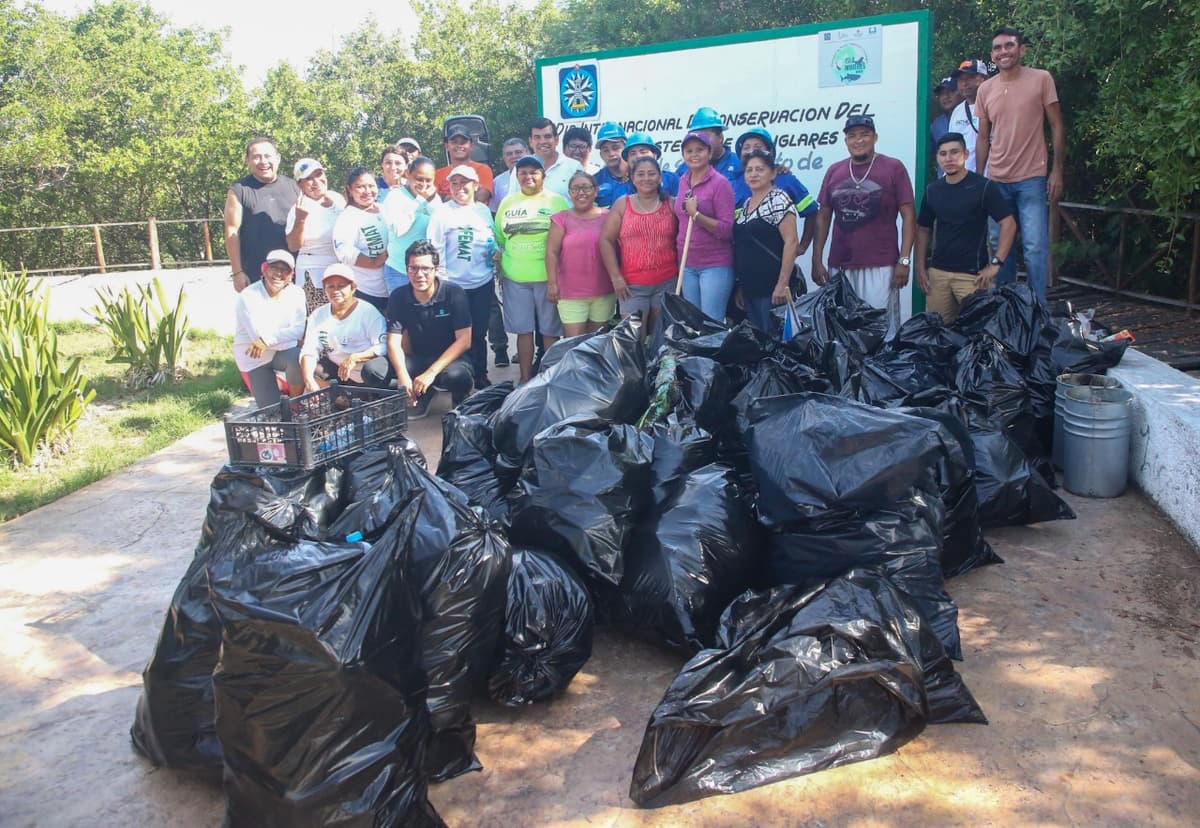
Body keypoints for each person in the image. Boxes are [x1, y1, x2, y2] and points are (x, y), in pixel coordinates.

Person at [976, 26, 1065, 300]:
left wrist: (1057, 171)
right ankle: (1008, 307)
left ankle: (1037, 309)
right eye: (998, 48)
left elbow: (1057, 125)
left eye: (1009, 45)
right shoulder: (986, 88)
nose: (1003, 51)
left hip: (1032, 178)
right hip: (996, 179)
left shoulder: (1041, 79)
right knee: (999, 245)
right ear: (992, 54)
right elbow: (982, 138)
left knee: (1035, 246)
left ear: (1021, 49)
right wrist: (979, 181)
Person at [812, 115, 916, 334]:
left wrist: (904, 260)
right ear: (846, 141)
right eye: (852, 136)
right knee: (843, 328)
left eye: (864, 134)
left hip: (880, 265)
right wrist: (816, 259)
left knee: (879, 329)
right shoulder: (834, 170)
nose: (858, 140)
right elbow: (823, 216)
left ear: (875, 137)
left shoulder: (893, 167)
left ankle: (880, 369)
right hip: (840, 264)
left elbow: (909, 216)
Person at [363, 241, 474, 417]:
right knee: (372, 371)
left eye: (425, 269)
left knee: (457, 376)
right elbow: (393, 341)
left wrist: (430, 373)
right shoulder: (398, 296)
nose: (419, 275)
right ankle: (419, 393)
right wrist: (403, 376)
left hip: (450, 361)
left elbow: (464, 340)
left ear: (436, 269)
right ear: (406, 269)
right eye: (413, 268)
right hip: (416, 359)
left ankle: (458, 399)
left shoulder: (454, 293)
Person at [916, 132, 1018, 324]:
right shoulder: (932, 190)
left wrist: (996, 264)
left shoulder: (983, 187)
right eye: (943, 154)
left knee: (976, 332)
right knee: (937, 333)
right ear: (937, 158)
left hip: (972, 276)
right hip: (938, 274)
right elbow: (923, 229)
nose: (949, 158)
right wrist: (920, 267)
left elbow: (1009, 224)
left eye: (954, 152)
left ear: (966, 154)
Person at [494, 154, 570, 383]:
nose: (528, 176)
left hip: (548, 278)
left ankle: (550, 379)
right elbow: (501, 237)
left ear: (543, 176)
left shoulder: (557, 202)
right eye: (523, 173)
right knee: (523, 331)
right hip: (515, 278)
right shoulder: (507, 202)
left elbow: (566, 238)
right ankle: (525, 379)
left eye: (534, 172)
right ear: (517, 177)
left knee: (550, 331)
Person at [425, 165, 498, 387]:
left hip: (482, 282)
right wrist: (441, 283)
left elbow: (491, 241)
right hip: (453, 285)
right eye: (454, 183)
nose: (459, 188)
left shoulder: (483, 211)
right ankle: (456, 379)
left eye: (464, 182)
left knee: (479, 331)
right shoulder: (442, 212)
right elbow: (434, 248)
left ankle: (480, 374)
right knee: (455, 334)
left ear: (475, 185)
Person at [599, 156, 679, 334]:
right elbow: (605, 240)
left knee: (662, 338)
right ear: (632, 178)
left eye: (651, 174)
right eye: (640, 174)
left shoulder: (672, 204)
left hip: (667, 283)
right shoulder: (622, 204)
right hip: (631, 285)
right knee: (633, 340)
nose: (646, 178)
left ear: (660, 178)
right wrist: (615, 277)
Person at [733, 150, 800, 333]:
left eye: (760, 169)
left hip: (773, 289)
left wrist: (782, 284)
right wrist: (741, 286)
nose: (753, 174)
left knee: (775, 341)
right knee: (758, 343)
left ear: (772, 173)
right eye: (749, 170)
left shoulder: (778, 199)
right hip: (751, 288)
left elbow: (791, 242)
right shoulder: (746, 204)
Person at [223, 136, 300, 293]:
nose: (263, 161)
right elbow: (232, 231)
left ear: (277, 158)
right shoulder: (239, 190)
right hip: (255, 273)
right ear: (247, 160)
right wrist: (237, 272)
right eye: (256, 157)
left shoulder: (295, 187)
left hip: (293, 271)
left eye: (267, 156)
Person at [674, 130, 735, 321]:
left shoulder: (720, 183)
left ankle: (712, 353)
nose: (694, 154)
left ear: (709, 153)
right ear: (683, 155)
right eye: (689, 150)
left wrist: (697, 215)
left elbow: (726, 230)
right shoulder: (683, 181)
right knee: (693, 322)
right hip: (686, 263)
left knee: (711, 323)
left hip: (714, 265)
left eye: (699, 150)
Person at [232, 249, 305, 407]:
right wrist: (284, 338)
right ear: (264, 269)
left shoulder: (297, 293)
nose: (279, 273)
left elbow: (298, 330)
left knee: (296, 357)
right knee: (272, 412)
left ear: (291, 275)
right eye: (274, 268)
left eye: (285, 270)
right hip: (255, 359)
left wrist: (266, 340)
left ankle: (295, 404)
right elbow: (256, 337)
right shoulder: (248, 296)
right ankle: (280, 384)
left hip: (281, 353)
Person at [299, 264, 387, 391]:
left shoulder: (368, 312)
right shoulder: (317, 315)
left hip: (365, 370)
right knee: (308, 366)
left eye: (341, 286)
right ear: (324, 289)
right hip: (339, 370)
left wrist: (355, 357)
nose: (336, 291)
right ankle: (340, 399)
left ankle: (372, 400)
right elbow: (309, 350)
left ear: (353, 288)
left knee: (374, 371)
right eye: (331, 286)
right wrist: (308, 380)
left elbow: (383, 346)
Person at [546, 171, 612, 337]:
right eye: (575, 189)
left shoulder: (608, 216)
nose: (581, 192)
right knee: (573, 344)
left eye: (586, 187)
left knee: (597, 344)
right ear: (569, 193)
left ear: (596, 190)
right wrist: (552, 283)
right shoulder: (560, 219)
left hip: (603, 290)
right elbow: (552, 252)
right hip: (570, 293)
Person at [731, 128, 818, 251]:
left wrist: (803, 246)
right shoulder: (734, 183)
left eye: (757, 147)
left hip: (776, 260)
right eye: (746, 147)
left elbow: (812, 212)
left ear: (770, 152)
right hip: (740, 261)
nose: (751, 151)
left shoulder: (785, 179)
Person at [285, 158, 345, 315]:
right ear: (300, 184)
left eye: (318, 175)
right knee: (317, 317)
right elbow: (293, 245)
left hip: (339, 266)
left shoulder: (337, 198)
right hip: (313, 270)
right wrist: (300, 219)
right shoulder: (299, 207)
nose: (316, 182)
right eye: (308, 179)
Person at [331, 167, 390, 312]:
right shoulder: (348, 217)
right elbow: (344, 251)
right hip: (365, 290)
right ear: (350, 190)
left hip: (390, 287)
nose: (367, 191)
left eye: (371, 186)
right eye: (360, 187)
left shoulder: (385, 209)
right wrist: (374, 262)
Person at [381, 156, 440, 293]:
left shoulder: (435, 199)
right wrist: (421, 202)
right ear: (408, 174)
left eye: (428, 180)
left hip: (425, 271)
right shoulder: (395, 196)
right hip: (399, 270)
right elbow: (398, 230)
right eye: (419, 179)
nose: (423, 184)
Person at [675, 106, 741, 184]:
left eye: (705, 136)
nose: (701, 141)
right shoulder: (684, 169)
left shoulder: (739, 165)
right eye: (696, 138)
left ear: (720, 137)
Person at [947, 60, 989, 175]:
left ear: (984, 79)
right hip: (963, 178)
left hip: (991, 177)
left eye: (969, 78)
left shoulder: (994, 106)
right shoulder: (957, 111)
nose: (964, 83)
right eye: (960, 80)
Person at [435, 124, 494, 202]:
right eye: (454, 142)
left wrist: (445, 198)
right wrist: (468, 195)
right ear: (447, 146)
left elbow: (481, 197)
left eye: (463, 142)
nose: (459, 145)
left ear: (471, 145)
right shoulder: (438, 174)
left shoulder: (483, 170)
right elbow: (433, 200)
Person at [527, 117, 582, 198]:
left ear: (556, 139)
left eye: (547, 136)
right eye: (537, 137)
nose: (543, 141)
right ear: (530, 142)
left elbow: (583, 203)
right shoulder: (520, 169)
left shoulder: (574, 167)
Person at [617, 132, 681, 198]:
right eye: (633, 153)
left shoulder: (672, 179)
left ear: (655, 155)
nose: (638, 156)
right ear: (627, 159)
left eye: (643, 152)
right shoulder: (621, 189)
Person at [593, 122, 629, 207]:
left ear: (626, 148)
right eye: (606, 150)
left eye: (615, 148)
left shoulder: (640, 176)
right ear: (601, 155)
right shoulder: (595, 181)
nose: (611, 153)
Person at [489, 137, 529, 212]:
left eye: (518, 152)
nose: (514, 156)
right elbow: (496, 211)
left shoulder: (537, 177)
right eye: (509, 154)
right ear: (504, 158)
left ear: (527, 153)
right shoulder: (497, 182)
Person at [929, 77, 962, 153]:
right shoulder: (936, 124)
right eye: (942, 94)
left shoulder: (973, 115)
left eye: (950, 92)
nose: (946, 97)